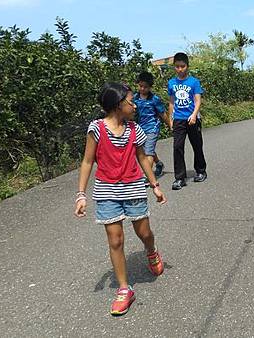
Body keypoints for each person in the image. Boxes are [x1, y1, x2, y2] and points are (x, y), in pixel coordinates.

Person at [74, 83, 167, 316]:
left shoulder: (135, 129)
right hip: (106, 191)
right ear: (118, 105)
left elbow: (143, 158)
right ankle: (125, 289)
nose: (134, 105)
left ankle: (151, 250)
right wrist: (81, 194)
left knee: (144, 232)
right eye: (130, 101)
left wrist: (155, 186)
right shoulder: (96, 129)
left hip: (134, 188)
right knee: (115, 240)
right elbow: (87, 161)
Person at [168, 52, 207, 190]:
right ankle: (180, 178)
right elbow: (171, 102)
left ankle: (201, 171)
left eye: (182, 66)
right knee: (177, 147)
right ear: (174, 67)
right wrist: (170, 118)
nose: (180, 69)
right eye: (177, 66)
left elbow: (197, 100)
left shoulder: (194, 82)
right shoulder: (171, 83)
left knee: (197, 145)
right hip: (178, 119)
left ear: (187, 66)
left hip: (192, 119)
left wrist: (194, 114)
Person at [133, 71, 170, 180]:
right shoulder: (134, 98)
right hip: (140, 128)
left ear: (150, 87)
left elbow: (162, 113)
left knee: (148, 151)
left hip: (152, 128)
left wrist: (170, 125)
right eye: (140, 86)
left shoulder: (155, 99)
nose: (142, 89)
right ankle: (158, 163)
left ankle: (146, 176)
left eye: (145, 87)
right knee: (144, 150)